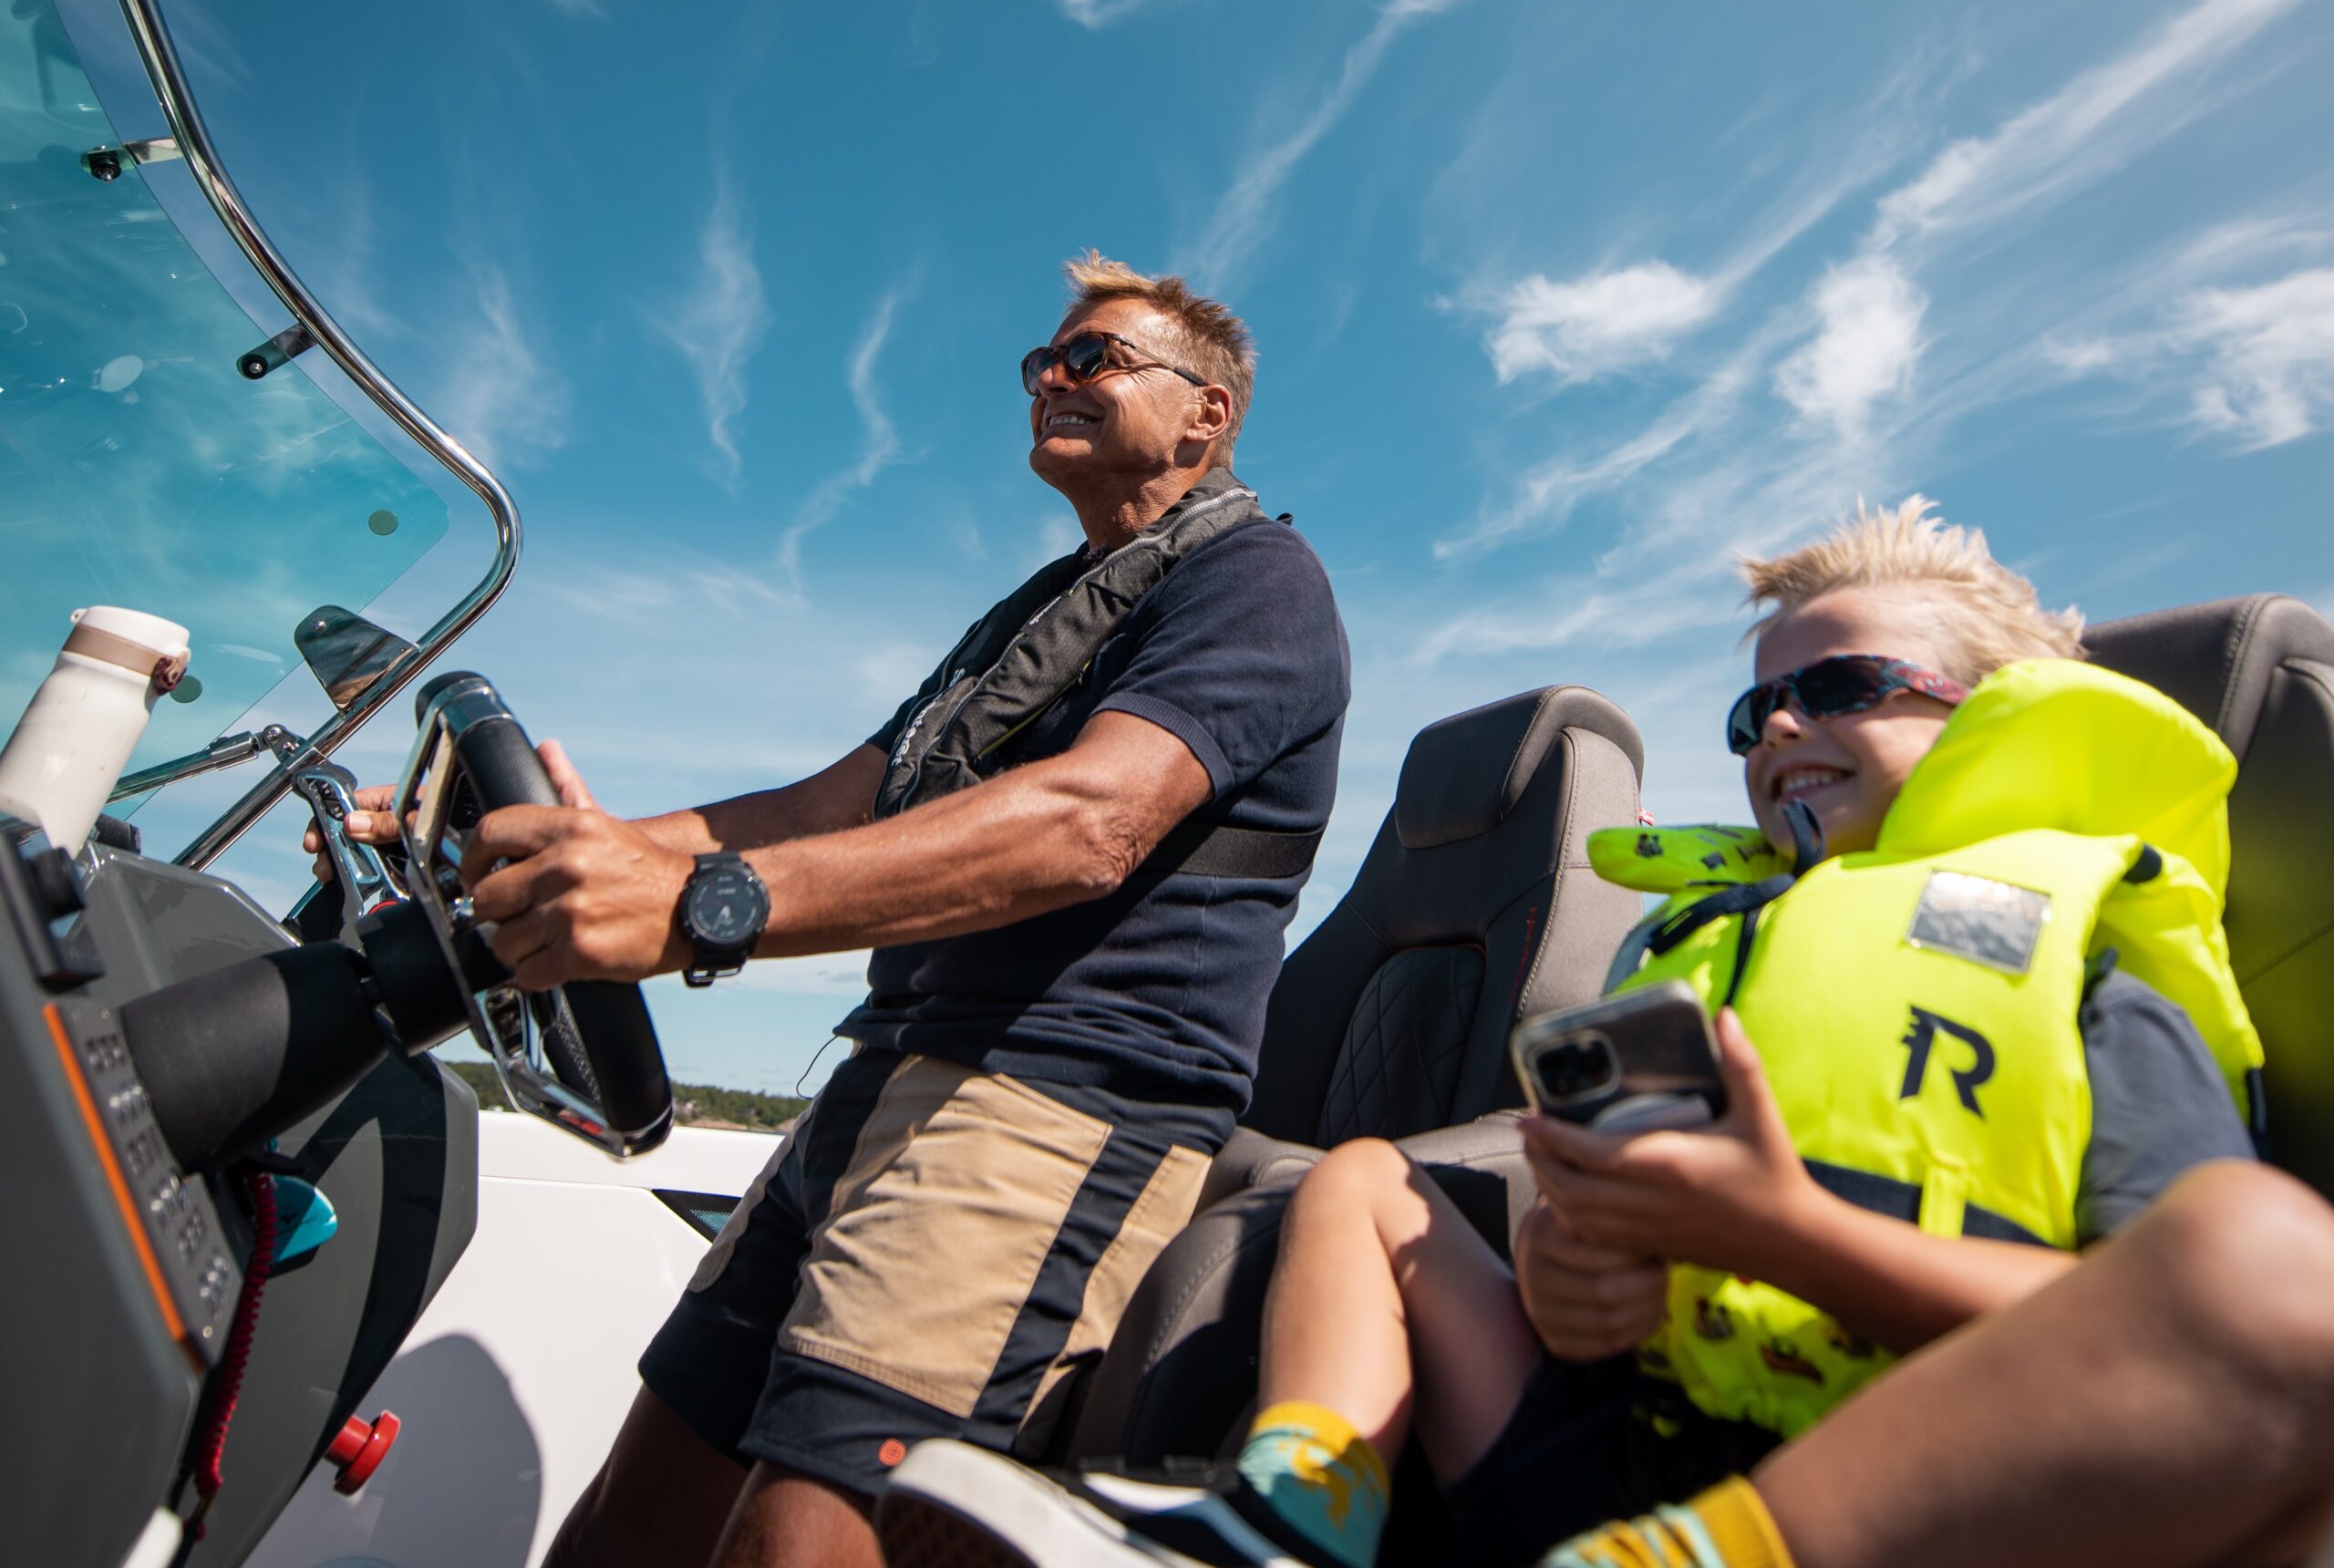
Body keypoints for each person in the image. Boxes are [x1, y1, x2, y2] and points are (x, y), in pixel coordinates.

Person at [873, 499, 2275, 1567]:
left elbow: (2183, 1339)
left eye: (1840, 688)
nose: (1781, 724)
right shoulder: (1720, 957)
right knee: (1364, 1181)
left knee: (2275, 1273)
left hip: (1919, 1503)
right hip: (1627, 1461)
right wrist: (1569, 1272)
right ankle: (1287, 1518)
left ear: (1993, 714)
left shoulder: (2088, 962)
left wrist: (1785, 1234)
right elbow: (1579, 1258)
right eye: (1755, 708)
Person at [311, 253, 1350, 1568]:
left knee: (794, 1542)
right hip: (874, 1090)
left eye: (1092, 359)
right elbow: (832, 801)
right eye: (1042, 360)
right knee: (628, 1528)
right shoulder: (1029, 619)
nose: (1050, 377)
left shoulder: (1258, 582)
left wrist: (699, 908)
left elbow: (1092, 821)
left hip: (1048, 1107)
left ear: (1206, 413)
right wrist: (586, 849)